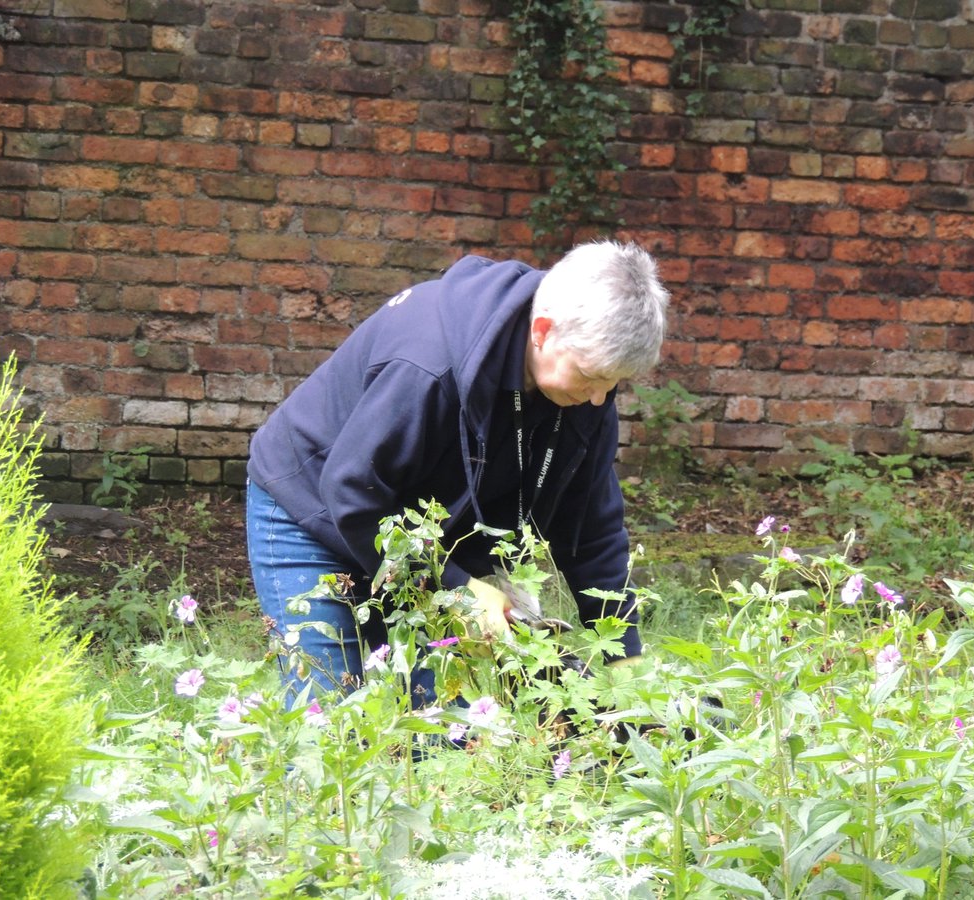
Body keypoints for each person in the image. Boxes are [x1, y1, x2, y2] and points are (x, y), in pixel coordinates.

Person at [245, 239, 670, 705]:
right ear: (543, 331)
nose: (597, 399)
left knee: (446, 723)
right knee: (326, 714)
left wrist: (624, 656)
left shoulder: (585, 391)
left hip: (420, 535)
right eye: (589, 377)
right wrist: (461, 591)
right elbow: (353, 493)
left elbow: (592, 526)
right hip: (314, 510)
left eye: (612, 385)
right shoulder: (428, 363)